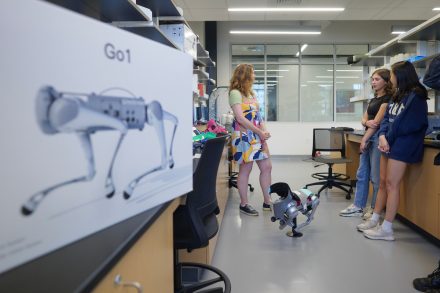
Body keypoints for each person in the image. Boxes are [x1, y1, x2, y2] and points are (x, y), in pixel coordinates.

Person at [357, 61, 428, 241]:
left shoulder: (416, 95)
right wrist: (382, 136)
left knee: (391, 184)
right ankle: (375, 219)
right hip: (387, 142)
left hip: (402, 144)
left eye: (393, 75)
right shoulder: (397, 95)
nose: (391, 79)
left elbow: (406, 123)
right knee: (382, 182)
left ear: (401, 76)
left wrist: (386, 137)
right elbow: (387, 119)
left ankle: (387, 229)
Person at [339, 69, 392, 219]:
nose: (373, 82)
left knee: (375, 177)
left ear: (386, 81)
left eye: (377, 79)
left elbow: (376, 123)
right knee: (362, 174)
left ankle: (375, 208)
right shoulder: (374, 99)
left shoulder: (387, 99)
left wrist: (364, 138)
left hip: (376, 138)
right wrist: (365, 122)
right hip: (369, 135)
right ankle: (358, 206)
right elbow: (364, 119)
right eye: (372, 79)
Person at [229, 64, 272, 216]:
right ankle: (244, 204)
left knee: (267, 167)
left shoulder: (252, 93)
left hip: (257, 135)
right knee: (245, 170)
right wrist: (259, 131)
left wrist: (264, 130)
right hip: (244, 136)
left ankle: (268, 201)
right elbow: (240, 118)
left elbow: (258, 115)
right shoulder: (235, 93)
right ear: (245, 75)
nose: (254, 76)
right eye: (252, 73)